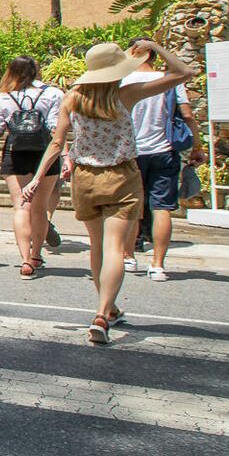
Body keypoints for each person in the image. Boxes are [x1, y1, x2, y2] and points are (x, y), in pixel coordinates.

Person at [23, 39, 196, 344]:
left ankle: (110, 308)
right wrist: (155, 45)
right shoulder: (125, 96)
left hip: (85, 178)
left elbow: (56, 143)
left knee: (97, 246)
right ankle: (102, 314)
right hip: (121, 176)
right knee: (115, 247)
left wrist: (37, 179)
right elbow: (183, 73)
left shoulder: (72, 99)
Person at [122, 38, 202, 282]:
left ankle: (128, 257)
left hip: (131, 151)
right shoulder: (168, 81)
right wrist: (197, 145)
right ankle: (157, 264)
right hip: (164, 150)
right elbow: (187, 114)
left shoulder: (122, 81)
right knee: (161, 208)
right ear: (153, 56)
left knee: (131, 206)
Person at [0, 56, 63, 278]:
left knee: (21, 206)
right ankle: (36, 254)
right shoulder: (53, 94)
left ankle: (24, 259)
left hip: (15, 153)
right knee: (40, 208)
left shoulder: (4, 96)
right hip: (44, 154)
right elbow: (54, 128)